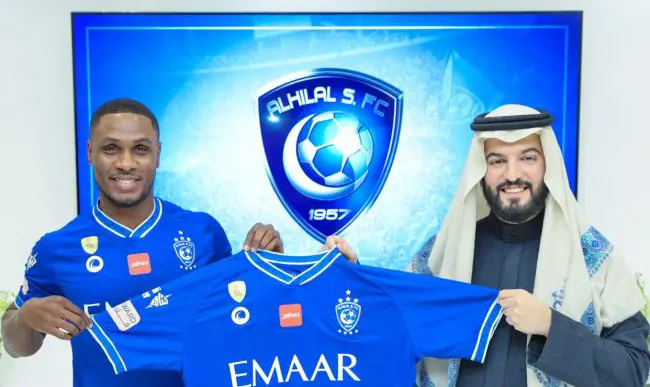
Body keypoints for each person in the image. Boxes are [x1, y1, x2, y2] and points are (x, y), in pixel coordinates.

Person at [330, 104, 650, 387]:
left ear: (547, 165)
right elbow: (393, 326)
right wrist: (350, 275)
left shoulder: (592, 256)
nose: (512, 174)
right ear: (481, 171)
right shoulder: (443, 253)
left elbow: (633, 370)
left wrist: (551, 326)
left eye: (527, 158)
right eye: (497, 161)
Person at [1, 98, 283, 387]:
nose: (126, 163)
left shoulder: (202, 232)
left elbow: (243, 318)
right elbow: (15, 345)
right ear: (90, 152)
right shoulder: (56, 248)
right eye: (111, 148)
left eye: (140, 149)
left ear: (157, 154)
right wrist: (25, 318)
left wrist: (267, 266)